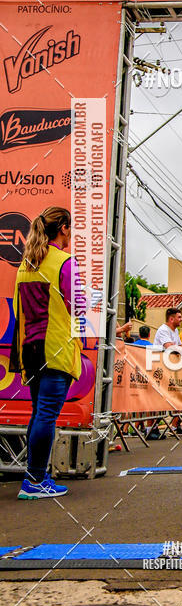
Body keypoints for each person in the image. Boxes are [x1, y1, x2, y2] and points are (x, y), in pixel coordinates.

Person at [12, 207, 83, 499]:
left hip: (30, 348)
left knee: (38, 414)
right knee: (46, 416)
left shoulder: (25, 264)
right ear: (64, 228)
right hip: (55, 347)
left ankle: (35, 476)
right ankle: (35, 480)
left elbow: (20, 308)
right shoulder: (66, 263)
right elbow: (79, 308)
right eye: (71, 228)